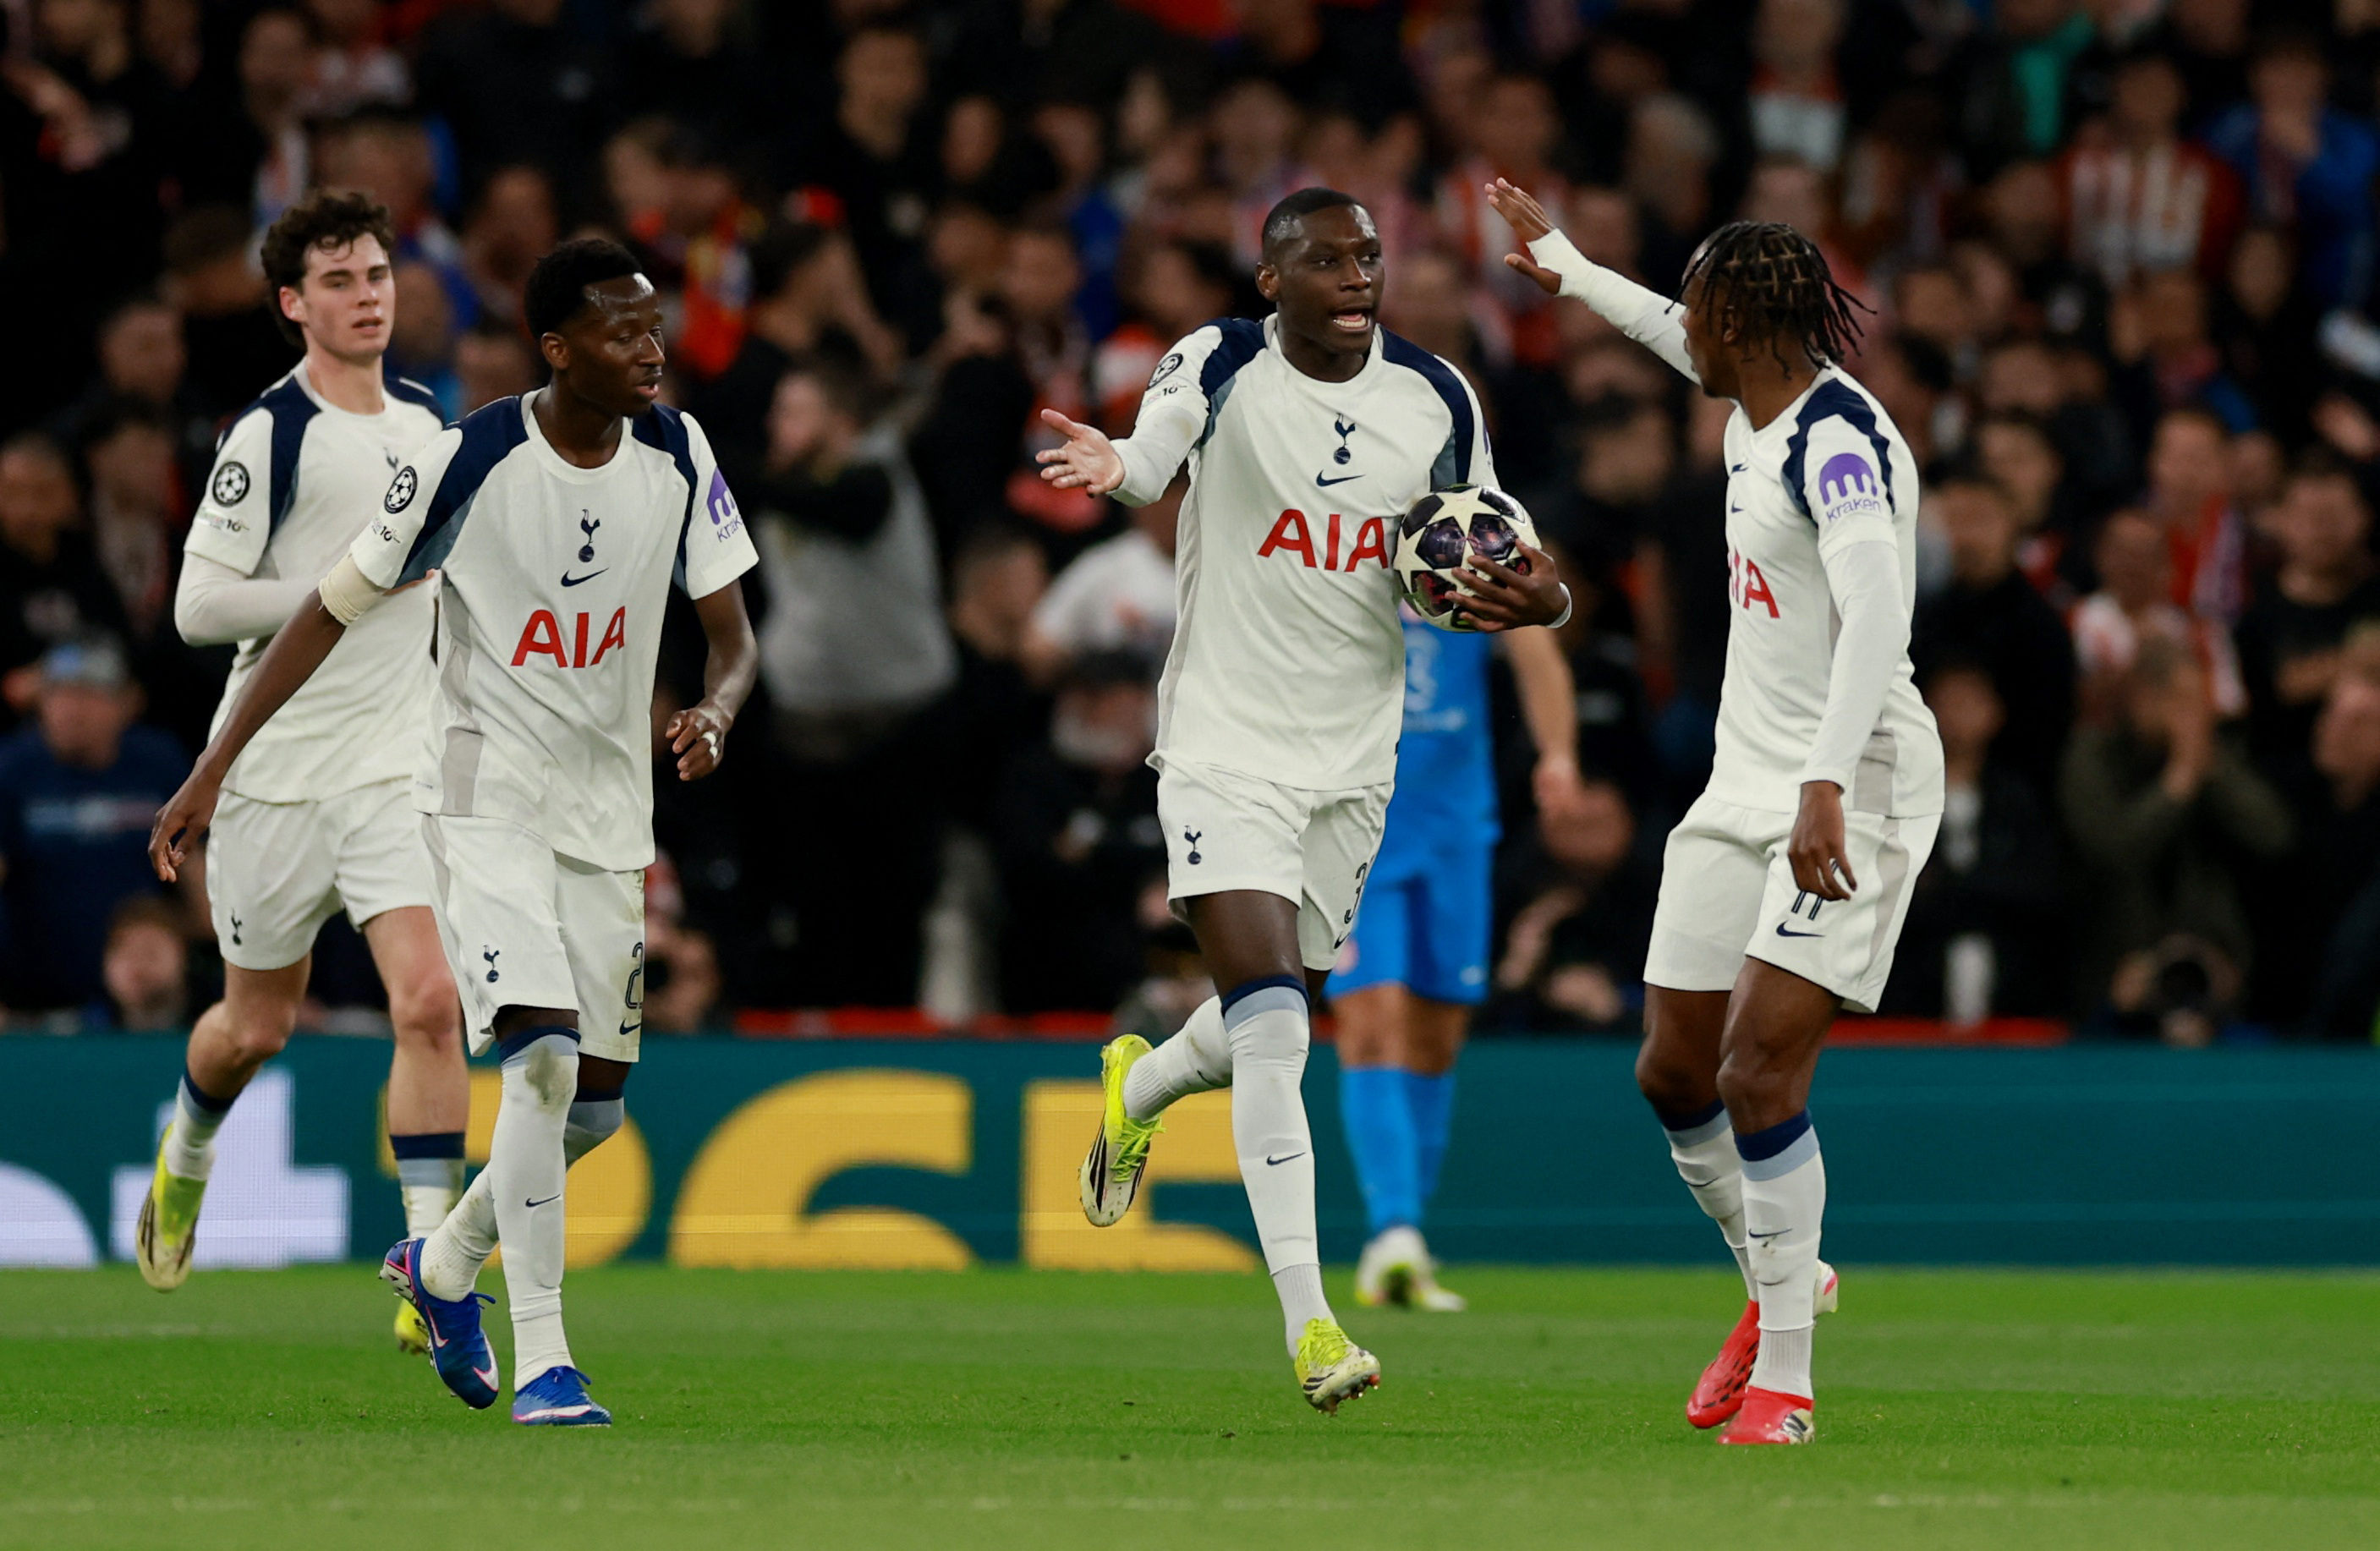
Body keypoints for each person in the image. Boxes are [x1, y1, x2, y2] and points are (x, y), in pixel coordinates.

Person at [150, 238, 760, 1429]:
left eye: (655, 327)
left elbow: (731, 632)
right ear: (555, 348)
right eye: (622, 331)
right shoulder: (466, 457)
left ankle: (436, 1266)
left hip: (605, 814)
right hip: (479, 796)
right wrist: (214, 764)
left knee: (593, 1108)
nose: (651, 349)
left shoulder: (680, 452)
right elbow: (330, 608)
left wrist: (718, 707)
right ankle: (547, 1360)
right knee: (534, 1059)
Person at [1036, 187, 1572, 1411]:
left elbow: (1506, 550)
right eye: (1324, 259)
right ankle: (1313, 1324)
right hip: (1224, 743)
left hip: (1356, 758)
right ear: (1268, 278)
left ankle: (1143, 1083)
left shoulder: (1435, 395)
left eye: (1368, 257)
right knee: (1277, 1029)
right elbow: (1152, 453)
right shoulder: (1218, 359)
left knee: (1274, 1009)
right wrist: (1114, 465)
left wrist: (1541, 601)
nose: (1354, 275)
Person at [1493, 177, 1943, 1444]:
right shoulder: (1753, 407)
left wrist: (1822, 783)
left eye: (1693, 308)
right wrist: (1572, 269)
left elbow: (1875, 620)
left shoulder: (1835, 443)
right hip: (1742, 781)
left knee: (1757, 1066)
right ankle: (1782, 1274)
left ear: (1737, 321)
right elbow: (1650, 324)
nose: (1677, 326)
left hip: (1850, 783)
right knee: (1672, 1067)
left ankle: (1787, 1383)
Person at [129, 192, 469, 1364]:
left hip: (394, 770)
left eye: (376, 272)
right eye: (337, 279)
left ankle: (429, 1270)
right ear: (292, 304)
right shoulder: (267, 436)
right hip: (272, 776)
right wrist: (349, 579)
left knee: (429, 1001)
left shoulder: (432, 424)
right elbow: (196, 607)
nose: (366, 292)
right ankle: (186, 1152)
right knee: (252, 1026)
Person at [1332, 611, 1584, 1312]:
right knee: (1372, 1021)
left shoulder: (1473, 527)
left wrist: (1557, 753)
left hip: (1454, 831)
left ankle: (1404, 1237)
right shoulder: (1340, 522)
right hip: (1355, 820)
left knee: (1437, 1038)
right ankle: (1394, 1233)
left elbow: (1535, 649)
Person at [0, 639, 189, 1011]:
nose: (73, 709)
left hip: (146, 993)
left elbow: (202, 882)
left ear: (127, 703)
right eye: (60, 694)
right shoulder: (12, 769)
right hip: (33, 996)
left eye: (90, 695)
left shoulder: (158, 765)